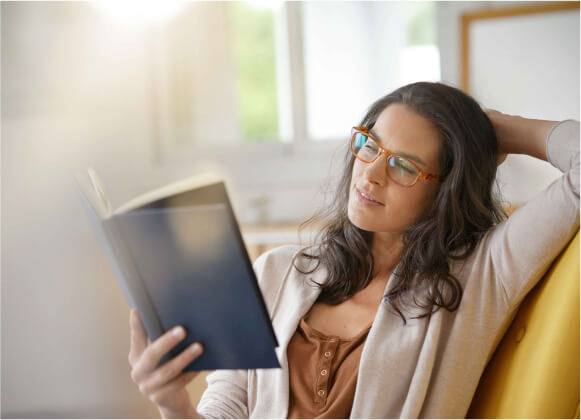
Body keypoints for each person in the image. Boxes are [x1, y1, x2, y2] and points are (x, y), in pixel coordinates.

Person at [127, 81, 580, 419]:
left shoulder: (479, 277)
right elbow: (225, 409)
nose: (372, 174)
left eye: (404, 166)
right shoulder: (275, 273)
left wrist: (497, 129)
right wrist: (171, 401)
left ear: (447, 190)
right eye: (371, 145)